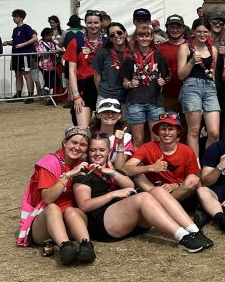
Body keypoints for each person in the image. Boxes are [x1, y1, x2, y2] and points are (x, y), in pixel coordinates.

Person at [73, 134, 213, 253]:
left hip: (127, 220)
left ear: (109, 151)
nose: (97, 154)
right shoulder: (83, 174)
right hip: (104, 223)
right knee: (144, 197)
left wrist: (113, 172)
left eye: (102, 150)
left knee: (157, 190)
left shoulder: (110, 169)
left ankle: (194, 230)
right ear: (88, 152)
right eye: (93, 150)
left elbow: (129, 185)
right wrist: (112, 195)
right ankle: (183, 237)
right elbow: (84, 206)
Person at [17, 126, 97, 266]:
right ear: (64, 142)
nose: (77, 147)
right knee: (53, 208)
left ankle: (86, 246)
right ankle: (66, 248)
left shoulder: (83, 164)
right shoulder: (49, 162)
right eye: (74, 142)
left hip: (68, 221)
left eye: (83, 145)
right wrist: (68, 175)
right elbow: (47, 198)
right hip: (43, 224)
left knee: (71, 211)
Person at [123, 113, 201, 205]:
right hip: (153, 190)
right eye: (163, 129)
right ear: (158, 132)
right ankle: (163, 203)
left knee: (193, 179)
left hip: (178, 193)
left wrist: (176, 185)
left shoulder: (187, 151)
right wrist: (150, 167)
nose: (167, 133)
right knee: (136, 172)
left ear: (178, 131)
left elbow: (196, 181)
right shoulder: (147, 147)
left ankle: (162, 204)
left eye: (171, 129)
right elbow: (125, 169)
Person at [177, 19, 221, 155]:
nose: (202, 35)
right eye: (199, 31)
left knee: (214, 132)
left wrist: (213, 86)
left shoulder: (213, 49)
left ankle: (208, 162)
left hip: (209, 87)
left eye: (205, 32)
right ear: (193, 32)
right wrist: (191, 62)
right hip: (191, 86)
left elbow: (212, 72)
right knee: (194, 130)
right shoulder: (185, 48)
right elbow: (180, 75)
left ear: (209, 32)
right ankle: (194, 166)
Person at [121, 25, 169, 147]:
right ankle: (139, 165)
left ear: (152, 37)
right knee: (138, 139)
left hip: (155, 102)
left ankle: (155, 164)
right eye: (141, 35)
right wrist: (130, 84)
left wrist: (163, 81)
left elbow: (167, 76)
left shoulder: (158, 56)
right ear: (136, 38)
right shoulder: (130, 59)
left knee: (157, 138)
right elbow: (124, 83)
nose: (144, 38)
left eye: (147, 35)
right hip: (135, 102)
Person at [64, 10, 105, 126]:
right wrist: (76, 95)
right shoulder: (76, 42)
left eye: (96, 22)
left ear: (101, 23)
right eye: (89, 23)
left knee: (105, 129)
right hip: (83, 88)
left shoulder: (107, 42)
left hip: (103, 87)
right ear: (85, 24)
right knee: (83, 129)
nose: (93, 26)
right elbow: (71, 70)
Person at [92, 22, 129, 107]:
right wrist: (102, 95)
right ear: (109, 38)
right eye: (112, 35)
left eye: (119, 33)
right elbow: (96, 78)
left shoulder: (133, 52)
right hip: (106, 97)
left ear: (125, 33)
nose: (116, 36)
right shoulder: (102, 53)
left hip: (128, 98)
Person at [89, 98, 135, 169]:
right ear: (98, 115)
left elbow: (119, 168)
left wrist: (120, 144)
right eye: (106, 112)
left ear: (119, 116)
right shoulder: (89, 135)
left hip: (114, 174)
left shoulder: (125, 138)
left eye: (114, 112)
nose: (110, 115)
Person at [157, 14, 187, 114]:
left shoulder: (190, 47)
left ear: (183, 28)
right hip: (167, 95)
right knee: (168, 125)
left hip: (188, 93)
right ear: (166, 28)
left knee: (188, 127)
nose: (175, 30)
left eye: (178, 27)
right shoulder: (159, 49)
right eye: (172, 27)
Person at [9, 9, 38, 102]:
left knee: (26, 74)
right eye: (13, 16)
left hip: (24, 54)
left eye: (15, 17)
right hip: (15, 54)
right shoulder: (15, 29)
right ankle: (18, 95)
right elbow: (16, 41)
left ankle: (30, 95)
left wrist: (23, 45)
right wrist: (8, 42)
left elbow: (35, 38)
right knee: (17, 74)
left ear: (21, 18)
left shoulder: (26, 28)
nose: (13, 18)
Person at [37, 27, 63, 104]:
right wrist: (50, 52)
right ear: (45, 36)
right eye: (49, 35)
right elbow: (39, 52)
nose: (50, 37)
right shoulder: (40, 43)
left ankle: (50, 95)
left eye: (51, 35)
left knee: (56, 81)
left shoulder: (52, 43)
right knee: (48, 81)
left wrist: (56, 51)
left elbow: (60, 49)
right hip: (44, 65)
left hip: (52, 65)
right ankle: (47, 97)